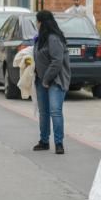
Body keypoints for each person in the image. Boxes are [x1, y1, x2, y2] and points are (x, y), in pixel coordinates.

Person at [32, 11, 71, 155]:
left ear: (42, 22)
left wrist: (47, 79)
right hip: (41, 80)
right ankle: (44, 141)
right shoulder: (40, 39)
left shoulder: (53, 39)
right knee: (44, 112)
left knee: (55, 112)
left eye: (37, 22)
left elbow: (57, 62)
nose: (36, 25)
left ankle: (59, 143)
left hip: (55, 81)